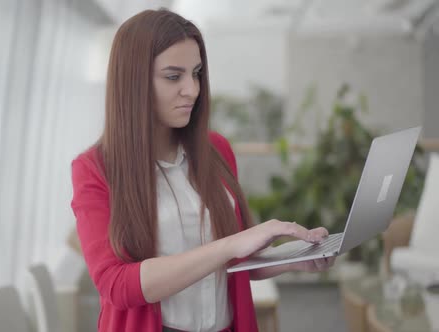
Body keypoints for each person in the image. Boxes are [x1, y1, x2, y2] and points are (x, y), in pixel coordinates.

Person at [70, 8, 334, 332]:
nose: (192, 89)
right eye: (173, 76)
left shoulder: (216, 150)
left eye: (196, 73)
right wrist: (228, 246)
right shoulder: (95, 170)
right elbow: (116, 285)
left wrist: (294, 260)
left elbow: (235, 264)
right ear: (133, 81)